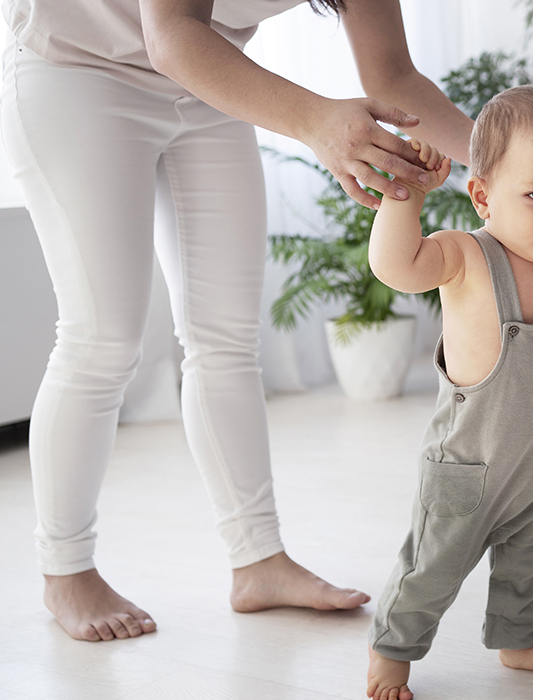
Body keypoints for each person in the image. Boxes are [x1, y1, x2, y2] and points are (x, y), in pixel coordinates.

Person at [0, 0, 473, 643]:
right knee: (101, 340)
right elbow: (171, 34)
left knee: (226, 338)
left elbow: (392, 75)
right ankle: (65, 570)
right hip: (77, 65)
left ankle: (258, 562)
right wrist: (319, 122)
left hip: (208, 78)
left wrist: (505, 160)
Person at [365, 85, 533, 700]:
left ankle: (518, 640)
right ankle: (392, 649)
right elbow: (396, 267)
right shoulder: (467, 255)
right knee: (432, 569)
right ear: (483, 196)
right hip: (466, 473)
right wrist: (405, 197)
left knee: (528, 568)